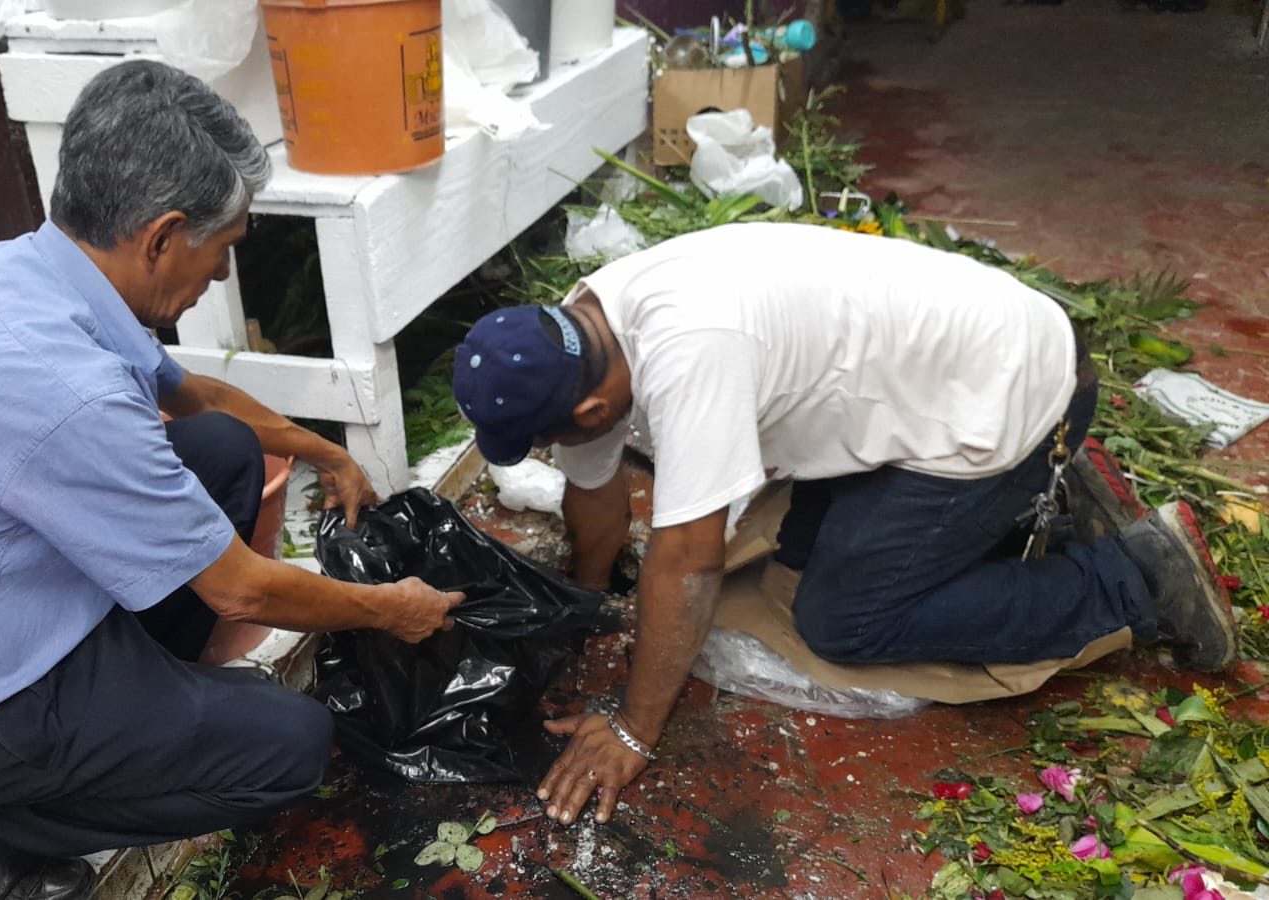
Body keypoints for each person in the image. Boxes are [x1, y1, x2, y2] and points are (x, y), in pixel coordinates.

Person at [0, 60, 462, 900]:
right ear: (163, 236)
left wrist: (327, 453)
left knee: (219, 448)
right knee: (292, 747)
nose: (223, 276)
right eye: (224, 250)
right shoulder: (64, 386)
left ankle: (128, 715)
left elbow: (198, 398)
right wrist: (391, 609)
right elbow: (243, 591)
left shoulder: (29, 274)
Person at [451, 222, 1235, 828]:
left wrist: (632, 730)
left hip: (1009, 392)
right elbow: (594, 491)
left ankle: (1133, 577)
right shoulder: (587, 330)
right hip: (950, 372)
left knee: (844, 621)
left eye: (548, 439)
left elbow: (687, 562)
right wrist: (586, 607)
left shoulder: (691, 356)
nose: (554, 451)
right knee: (793, 564)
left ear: (592, 409)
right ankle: (1031, 502)